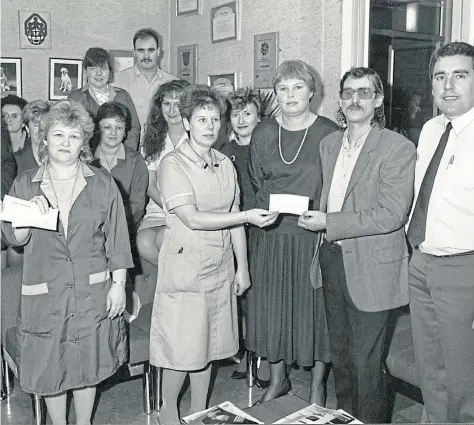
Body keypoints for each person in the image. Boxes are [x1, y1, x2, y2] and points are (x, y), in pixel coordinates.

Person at [149, 84, 278, 425]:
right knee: (182, 350)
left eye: (215, 119)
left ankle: (197, 412)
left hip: (219, 267)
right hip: (186, 266)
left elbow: (233, 214)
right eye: (201, 119)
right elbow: (191, 218)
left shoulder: (224, 163)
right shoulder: (172, 164)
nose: (209, 126)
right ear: (187, 123)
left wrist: (243, 268)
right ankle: (168, 411)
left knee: (208, 346)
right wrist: (247, 217)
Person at [1, 100, 134, 425]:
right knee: (51, 366)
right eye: (57, 135)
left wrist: (119, 285)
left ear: (84, 141)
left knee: (88, 365)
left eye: (73, 136)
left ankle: (84, 422)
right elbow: (12, 239)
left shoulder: (103, 183)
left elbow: (117, 238)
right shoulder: (24, 183)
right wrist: (28, 218)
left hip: (92, 291)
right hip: (45, 295)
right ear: (44, 139)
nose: (64, 142)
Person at [298, 67, 416, 423]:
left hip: (373, 267)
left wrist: (329, 223)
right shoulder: (329, 143)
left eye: (364, 93)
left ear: (378, 100)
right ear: (340, 99)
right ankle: (347, 418)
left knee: (367, 361)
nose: (354, 100)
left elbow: (391, 214)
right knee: (343, 356)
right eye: (348, 93)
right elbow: (330, 197)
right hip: (333, 258)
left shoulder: (397, 147)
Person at [246, 59, 338, 405]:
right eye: (283, 88)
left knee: (315, 313)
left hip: (311, 235)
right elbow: (257, 180)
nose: (291, 95)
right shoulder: (264, 132)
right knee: (273, 310)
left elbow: (336, 185)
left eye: (298, 87)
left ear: (312, 92)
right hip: (271, 235)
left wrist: (324, 217)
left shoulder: (329, 132)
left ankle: (317, 387)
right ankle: (278, 379)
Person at [406, 41, 474, 423]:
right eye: (440, 77)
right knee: (429, 368)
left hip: (464, 269)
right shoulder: (431, 129)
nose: (449, 85)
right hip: (422, 262)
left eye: (460, 75)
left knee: (465, 377)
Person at [219, 87, 269, 387]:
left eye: (247, 113)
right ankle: (246, 354)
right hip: (236, 228)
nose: (240, 119)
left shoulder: (266, 148)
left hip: (261, 228)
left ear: (258, 117)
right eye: (235, 114)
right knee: (242, 298)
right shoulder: (225, 152)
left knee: (259, 297)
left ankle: (260, 357)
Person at [137, 79, 189, 268]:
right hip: (158, 209)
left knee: (164, 238)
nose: (172, 110)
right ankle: (177, 280)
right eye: (167, 104)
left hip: (189, 209)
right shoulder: (152, 138)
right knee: (143, 243)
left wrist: (180, 210)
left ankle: (176, 287)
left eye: (178, 104)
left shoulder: (196, 137)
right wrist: (169, 207)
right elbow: (150, 186)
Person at [91, 101, 148, 256]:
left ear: (126, 131)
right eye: (107, 127)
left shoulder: (135, 160)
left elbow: (137, 206)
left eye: (119, 127)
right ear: (97, 129)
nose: (113, 133)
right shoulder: (86, 158)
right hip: (90, 229)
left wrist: (114, 231)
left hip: (124, 230)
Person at [68, 47, 140, 150]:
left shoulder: (123, 96)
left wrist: (126, 155)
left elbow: (134, 129)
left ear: (110, 72)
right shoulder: (75, 98)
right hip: (86, 159)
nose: (99, 73)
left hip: (119, 158)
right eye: (93, 69)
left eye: (104, 68)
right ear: (85, 71)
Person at [114, 28, 177, 143]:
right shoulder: (117, 81)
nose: (146, 55)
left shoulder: (173, 83)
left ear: (158, 52)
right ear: (134, 52)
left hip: (163, 148)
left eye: (151, 50)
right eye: (141, 51)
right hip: (129, 150)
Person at [15, 100, 51, 174]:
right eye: (36, 125)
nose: (41, 129)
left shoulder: (62, 157)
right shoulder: (16, 161)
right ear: (27, 129)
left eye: (45, 124)